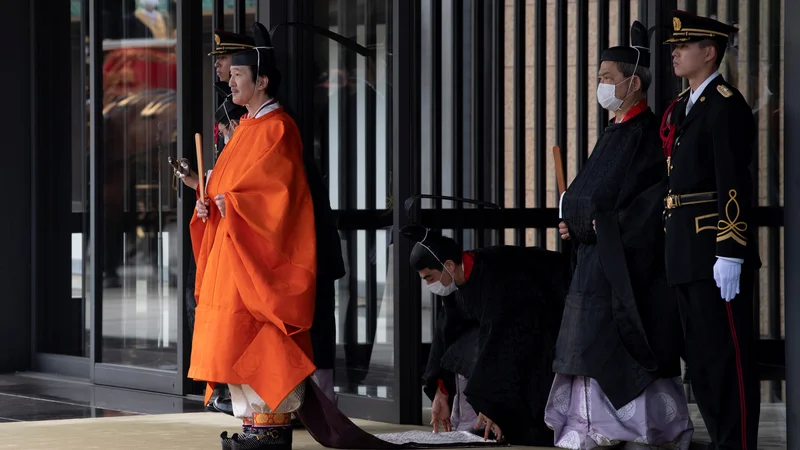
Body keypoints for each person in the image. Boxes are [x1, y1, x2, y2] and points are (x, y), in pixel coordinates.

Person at [544, 21, 692, 449]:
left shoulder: (647, 135)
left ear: (633, 81)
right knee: (586, 344)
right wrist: (572, 218)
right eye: (600, 79)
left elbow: (641, 207)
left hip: (626, 265)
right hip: (593, 260)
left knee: (622, 343)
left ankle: (636, 428)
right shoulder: (613, 130)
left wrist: (588, 220)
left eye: (607, 78)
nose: (602, 86)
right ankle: (588, 426)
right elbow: (588, 194)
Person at [189, 22, 317, 450]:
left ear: (261, 80)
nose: (230, 81)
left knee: (259, 335)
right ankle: (249, 427)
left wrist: (235, 205)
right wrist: (206, 204)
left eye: (238, 75)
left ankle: (269, 429)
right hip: (231, 250)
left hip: (256, 257)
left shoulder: (278, 128)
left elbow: (279, 195)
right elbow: (224, 185)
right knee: (230, 338)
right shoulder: (244, 127)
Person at [660, 10, 761, 450]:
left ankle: (736, 444)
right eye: (674, 48)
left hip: (714, 253)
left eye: (684, 47)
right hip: (685, 252)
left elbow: (732, 181)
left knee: (726, 360)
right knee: (700, 364)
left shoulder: (725, 104)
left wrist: (731, 249)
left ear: (710, 52)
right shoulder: (685, 106)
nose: (676, 53)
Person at [400, 225, 568, 446]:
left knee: (498, 355)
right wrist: (441, 390)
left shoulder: (496, 274)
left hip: (550, 313)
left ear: (448, 265)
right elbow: (446, 332)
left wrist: (490, 404)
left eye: (429, 277)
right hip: (512, 325)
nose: (430, 284)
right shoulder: (454, 282)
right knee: (461, 348)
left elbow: (503, 339)